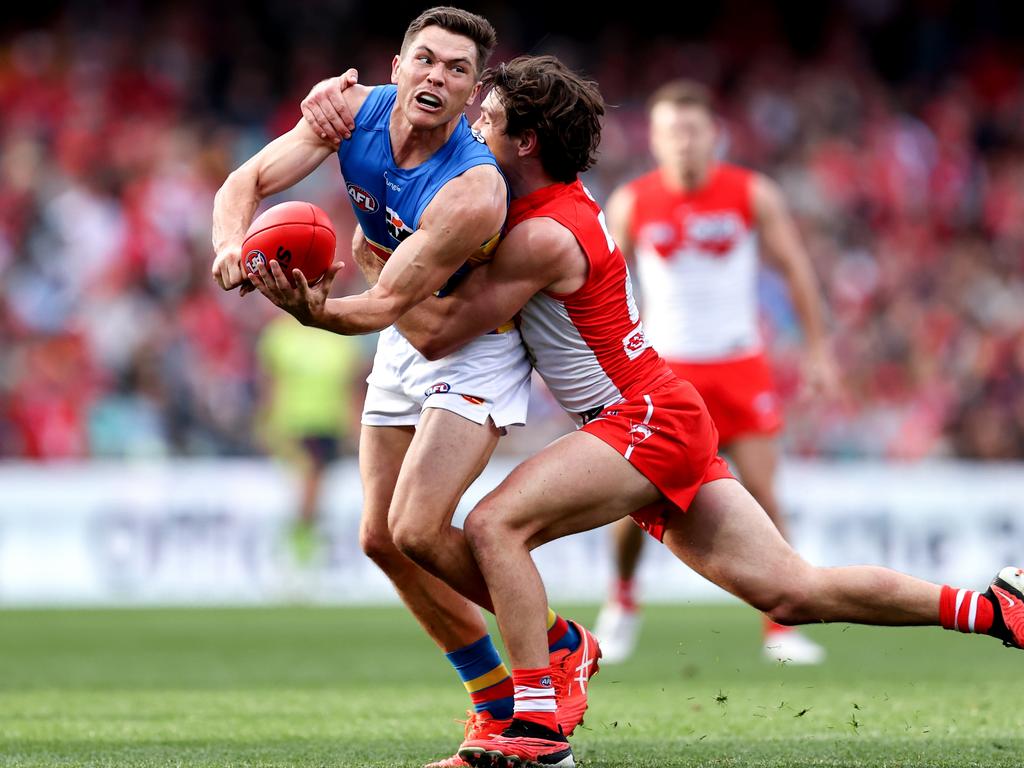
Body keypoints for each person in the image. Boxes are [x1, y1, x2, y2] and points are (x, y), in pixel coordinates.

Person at [297, 56, 1023, 768]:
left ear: (526, 144)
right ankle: (995, 608)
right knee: (792, 591)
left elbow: (433, 332)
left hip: (639, 417)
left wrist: (369, 259)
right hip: (659, 411)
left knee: (493, 525)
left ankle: (538, 724)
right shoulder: (531, 206)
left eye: (486, 119)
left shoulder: (541, 235)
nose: (471, 128)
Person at [213, 9, 596, 767]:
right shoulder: (353, 111)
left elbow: (391, 305)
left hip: (472, 347)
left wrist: (310, 311)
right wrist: (231, 245)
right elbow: (248, 179)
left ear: (471, 91)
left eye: (457, 70)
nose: (436, 77)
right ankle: (492, 708)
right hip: (398, 330)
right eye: (426, 59)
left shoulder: (473, 188)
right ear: (396, 64)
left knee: (421, 527)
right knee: (380, 539)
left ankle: (554, 657)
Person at [594, 79, 840, 665]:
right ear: (654, 140)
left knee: (763, 496)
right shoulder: (632, 202)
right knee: (636, 499)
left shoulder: (752, 194)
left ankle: (780, 626)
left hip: (740, 366)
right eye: (670, 131)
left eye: (692, 130)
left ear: (714, 135)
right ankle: (623, 601)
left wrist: (817, 348)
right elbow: (604, 286)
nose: (682, 142)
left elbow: (795, 268)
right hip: (664, 370)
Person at [256, 315, 362, 565]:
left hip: (331, 426)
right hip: (294, 425)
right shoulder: (280, 335)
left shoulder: (342, 334)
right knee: (308, 485)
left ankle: (304, 549)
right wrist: (266, 424)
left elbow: (352, 390)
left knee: (317, 492)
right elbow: (269, 386)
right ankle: (300, 552)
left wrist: (355, 429)